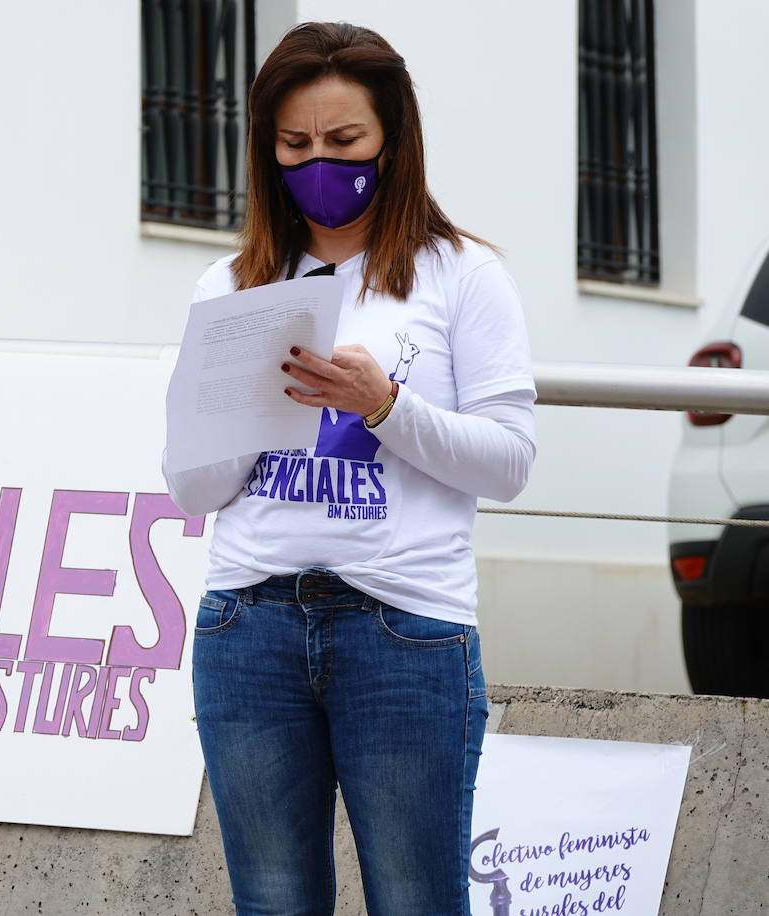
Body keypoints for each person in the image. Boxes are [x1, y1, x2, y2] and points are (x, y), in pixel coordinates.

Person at [161, 21, 537, 916]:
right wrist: (256, 403)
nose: (319, 162)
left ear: (392, 139)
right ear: (266, 148)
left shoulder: (462, 275)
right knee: (274, 900)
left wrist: (384, 407)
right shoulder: (230, 286)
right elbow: (190, 488)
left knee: (416, 900)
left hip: (404, 630)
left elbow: (510, 463)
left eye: (343, 139)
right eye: (295, 144)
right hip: (248, 627)